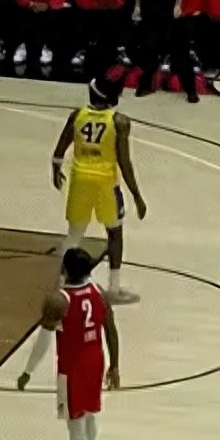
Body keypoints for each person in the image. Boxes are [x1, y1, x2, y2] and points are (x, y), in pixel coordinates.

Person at [16, 248, 120, 440]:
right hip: (95, 363)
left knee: (77, 429)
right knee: (90, 424)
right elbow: (111, 329)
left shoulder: (59, 301)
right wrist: (115, 365)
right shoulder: (99, 293)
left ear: (64, 269)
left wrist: (28, 371)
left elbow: (43, 341)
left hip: (71, 369)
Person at [51, 74, 146, 304]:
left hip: (80, 179)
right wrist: (137, 195)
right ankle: (113, 289)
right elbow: (124, 162)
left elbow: (60, 149)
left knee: (74, 233)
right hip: (105, 183)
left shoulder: (77, 115)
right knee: (114, 232)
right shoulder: (119, 121)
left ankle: (61, 285)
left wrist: (55, 169)